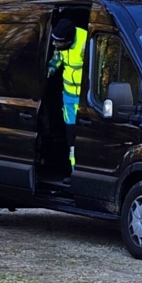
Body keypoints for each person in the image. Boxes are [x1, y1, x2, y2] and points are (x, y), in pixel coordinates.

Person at [48, 18, 88, 171]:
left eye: (58, 42)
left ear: (68, 40)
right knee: (71, 137)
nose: (54, 44)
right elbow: (57, 56)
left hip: (85, 100)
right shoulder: (62, 43)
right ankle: (74, 172)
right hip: (69, 98)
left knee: (85, 138)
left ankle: (82, 173)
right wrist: (52, 67)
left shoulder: (84, 42)